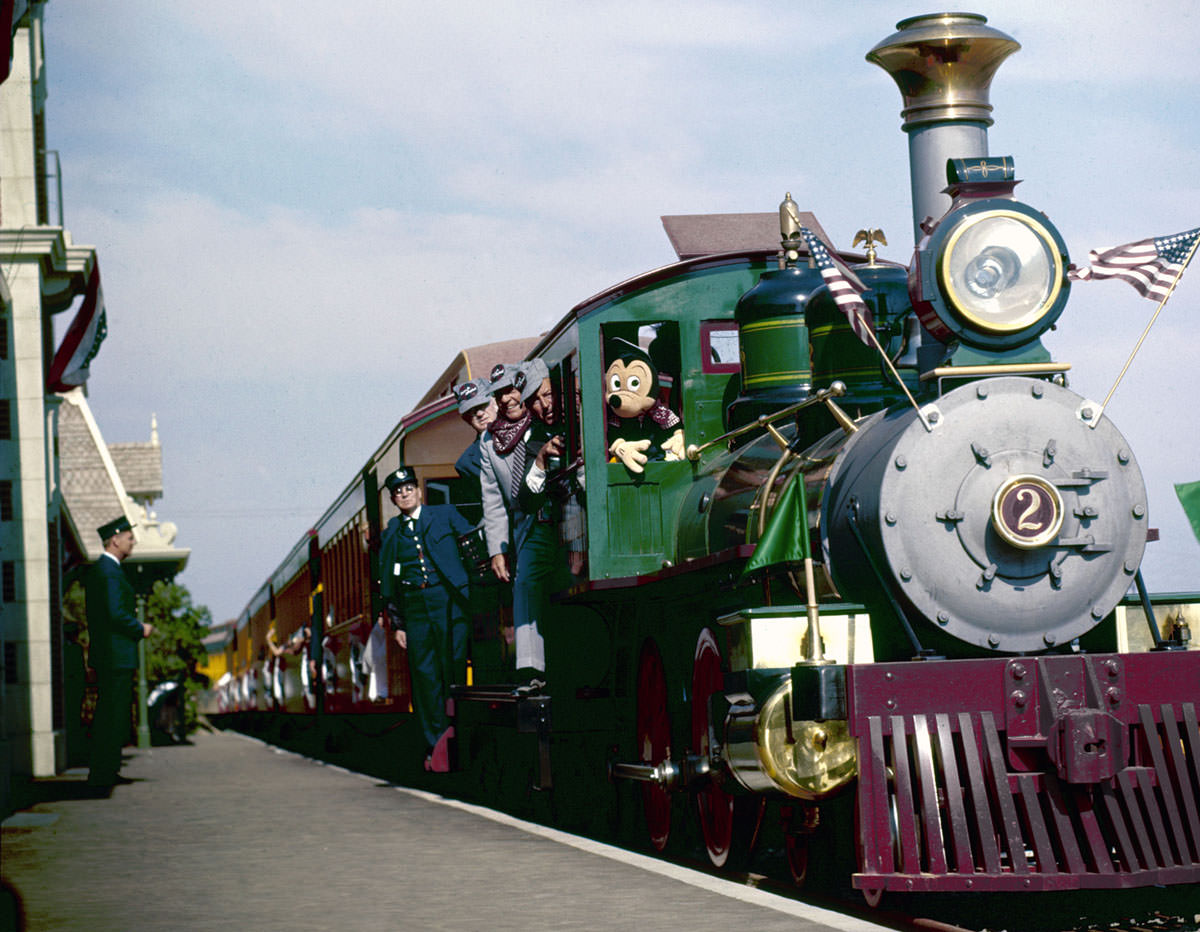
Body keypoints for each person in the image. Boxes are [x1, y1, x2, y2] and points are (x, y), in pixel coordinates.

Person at [378, 466, 473, 771]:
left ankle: (462, 732)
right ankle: (436, 742)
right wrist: (398, 623)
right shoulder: (392, 532)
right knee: (425, 675)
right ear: (394, 499)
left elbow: (472, 544)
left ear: (419, 491)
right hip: (415, 608)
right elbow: (389, 579)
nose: (404, 494)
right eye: (398, 492)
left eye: (408, 488)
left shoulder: (444, 514)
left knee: (454, 665)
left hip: (448, 600)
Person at [480, 360, 563, 688]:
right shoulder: (489, 443)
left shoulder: (542, 419)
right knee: (526, 584)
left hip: (563, 512)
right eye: (499, 394)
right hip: (527, 523)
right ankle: (531, 670)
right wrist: (497, 548)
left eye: (512, 390)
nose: (506, 399)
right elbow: (493, 500)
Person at [86, 515, 154, 788]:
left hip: (110, 656)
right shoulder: (108, 571)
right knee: (112, 716)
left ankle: (106, 770)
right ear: (115, 539)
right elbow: (115, 614)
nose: (133, 541)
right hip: (115, 657)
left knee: (111, 715)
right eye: (129, 537)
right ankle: (103, 774)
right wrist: (140, 628)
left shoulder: (105, 570)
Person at [452, 377, 497, 512]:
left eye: (483, 405)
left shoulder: (526, 433)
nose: (479, 414)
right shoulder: (466, 464)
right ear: (466, 419)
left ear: (495, 403)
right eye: (472, 411)